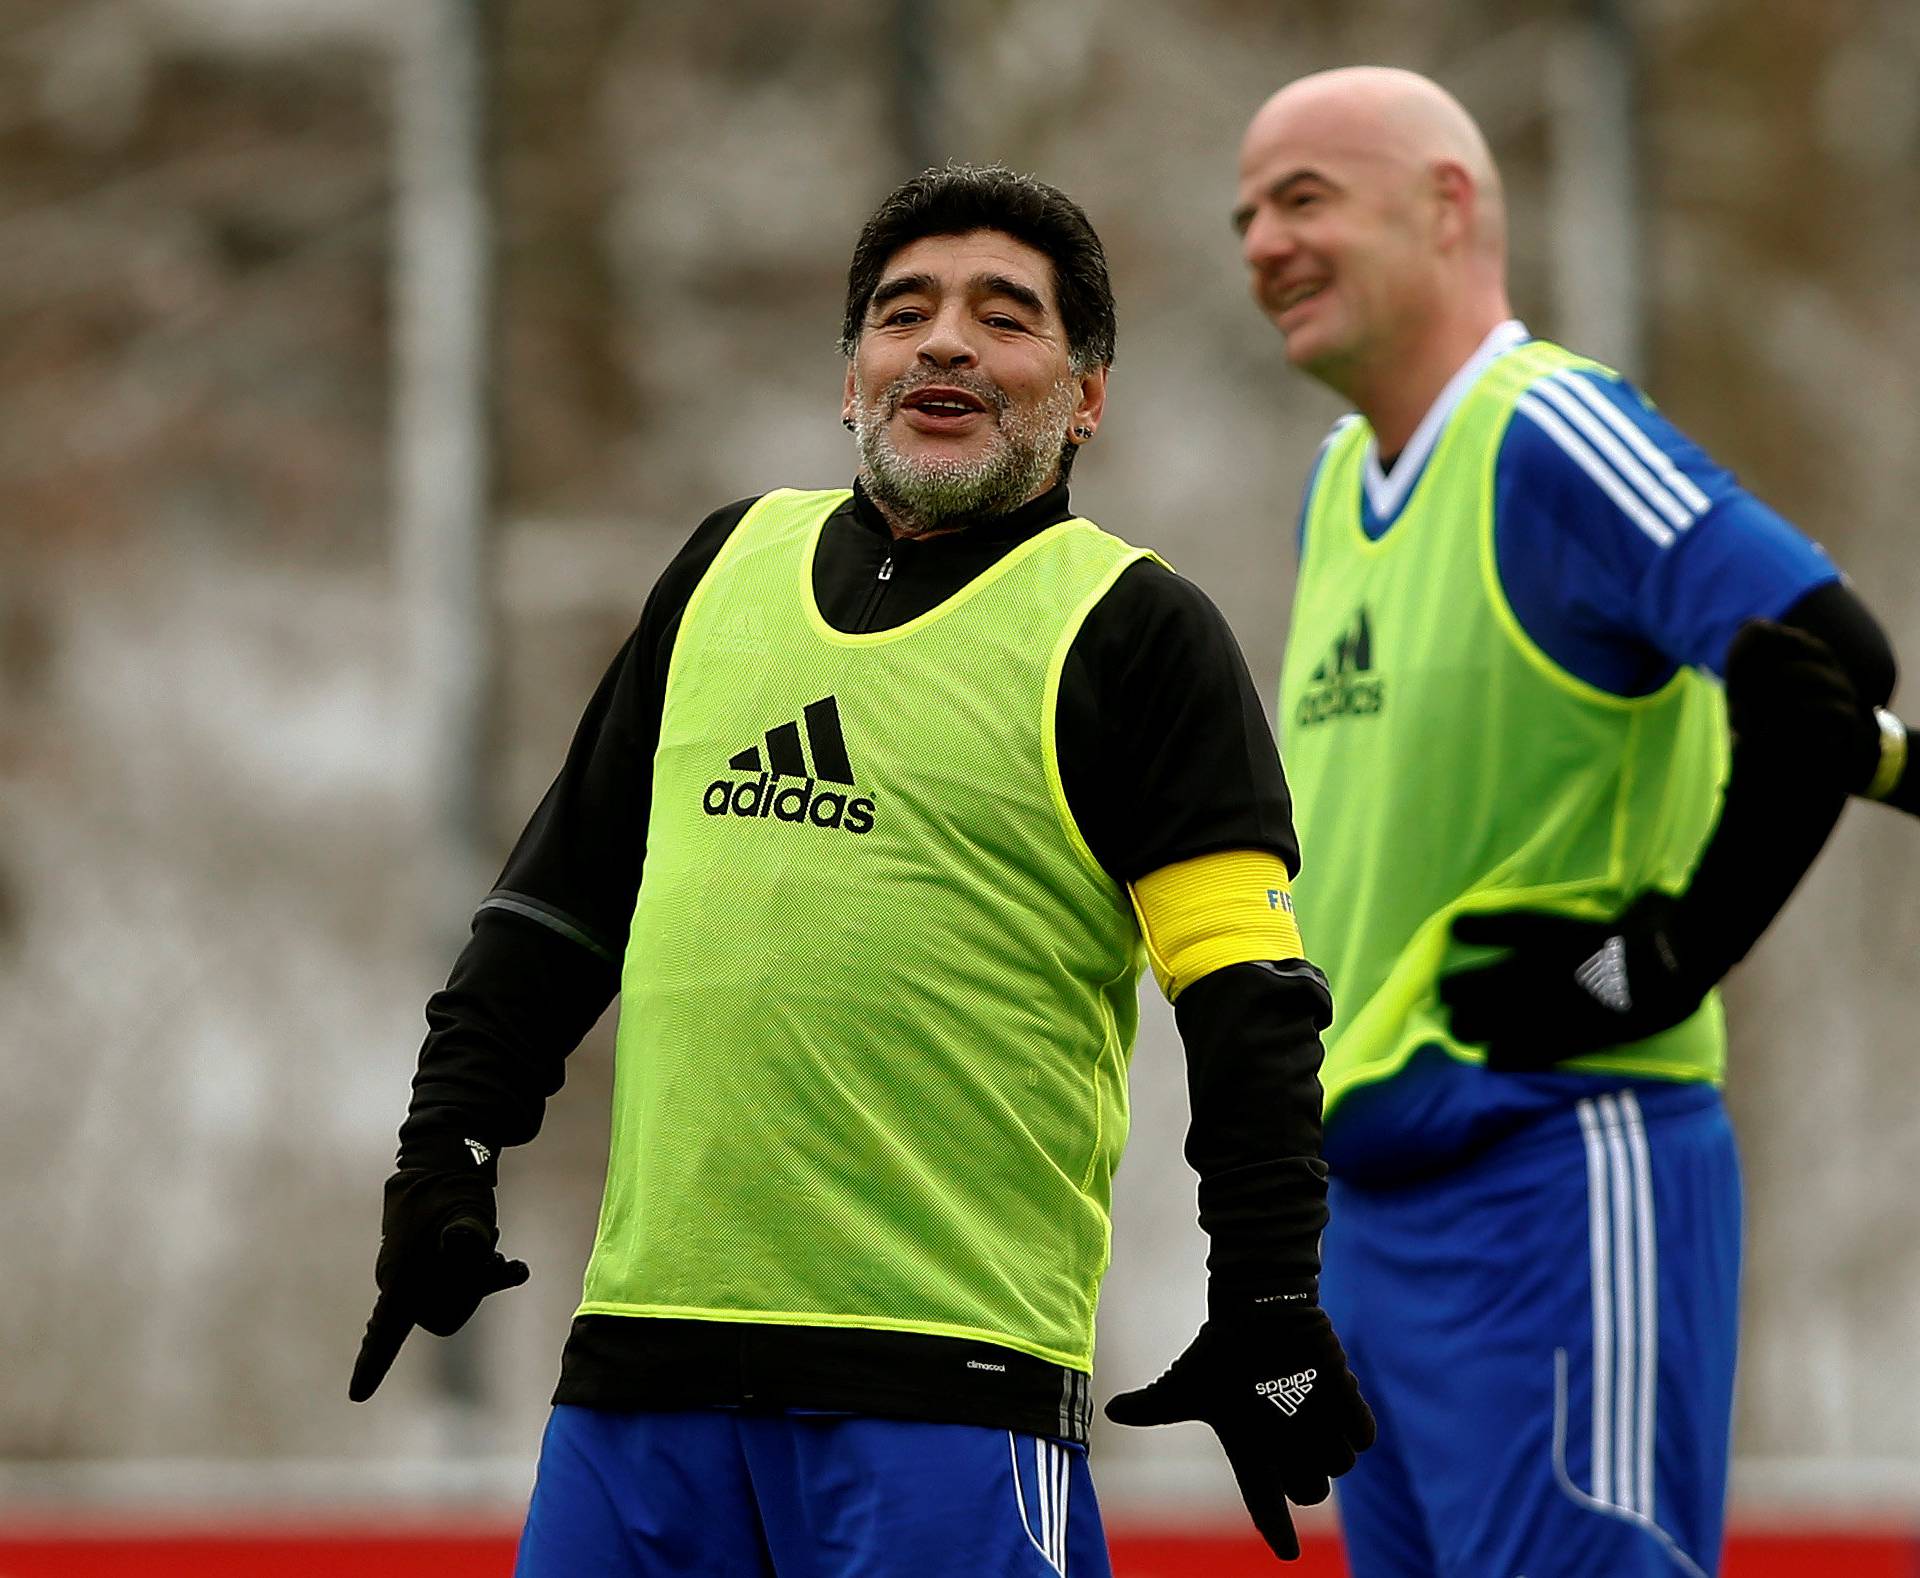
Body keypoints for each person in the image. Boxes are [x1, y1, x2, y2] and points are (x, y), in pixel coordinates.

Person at [350, 163, 1373, 1575]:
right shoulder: (721, 568)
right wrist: (445, 1151)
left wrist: (1266, 1292)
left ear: (1086, 396)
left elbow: (1252, 1002)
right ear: (852, 377)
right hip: (643, 1390)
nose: (944, 340)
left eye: (1004, 317)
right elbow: (554, 908)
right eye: (903, 312)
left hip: (948, 1399)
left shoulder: (1139, 632)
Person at [1233, 67, 1907, 1578]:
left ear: (1448, 202)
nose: (1262, 242)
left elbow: (1827, 670)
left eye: (1303, 198)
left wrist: (1648, 966)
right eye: (1245, 213)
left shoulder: (1551, 434)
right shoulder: (1339, 483)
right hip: (1379, 1215)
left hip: (1551, 1169)